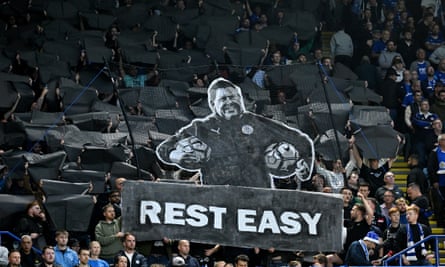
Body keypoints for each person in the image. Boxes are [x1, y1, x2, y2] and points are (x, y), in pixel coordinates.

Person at [156, 77, 314, 189]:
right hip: (219, 200)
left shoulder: (258, 123)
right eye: (224, 99)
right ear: (212, 104)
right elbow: (164, 148)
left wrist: (304, 167)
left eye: (234, 97)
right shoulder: (200, 128)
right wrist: (174, 156)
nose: (230, 102)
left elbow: (301, 140)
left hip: (259, 199)